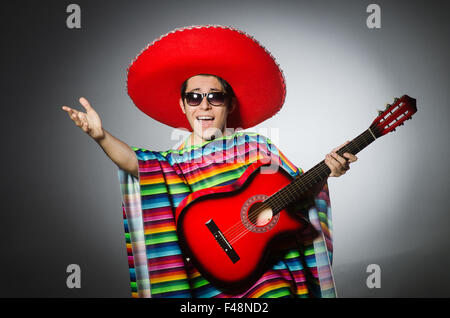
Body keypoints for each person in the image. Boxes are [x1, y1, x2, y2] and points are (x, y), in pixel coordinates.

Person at [62, 25, 357, 298]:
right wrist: (101, 136)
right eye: (194, 97)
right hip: (210, 283)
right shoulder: (173, 163)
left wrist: (328, 171)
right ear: (183, 105)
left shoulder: (255, 146)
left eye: (215, 96)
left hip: (269, 275)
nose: (204, 105)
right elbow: (133, 162)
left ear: (229, 104)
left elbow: (294, 191)